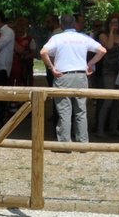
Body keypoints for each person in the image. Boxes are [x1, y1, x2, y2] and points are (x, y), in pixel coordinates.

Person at [40, 14, 105, 143]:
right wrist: (90, 64)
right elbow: (102, 50)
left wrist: (51, 67)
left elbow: (43, 52)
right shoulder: (83, 38)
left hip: (63, 76)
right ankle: (83, 142)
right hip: (81, 75)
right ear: (75, 24)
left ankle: (65, 143)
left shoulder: (57, 38)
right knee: (81, 111)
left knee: (64, 111)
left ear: (61, 24)